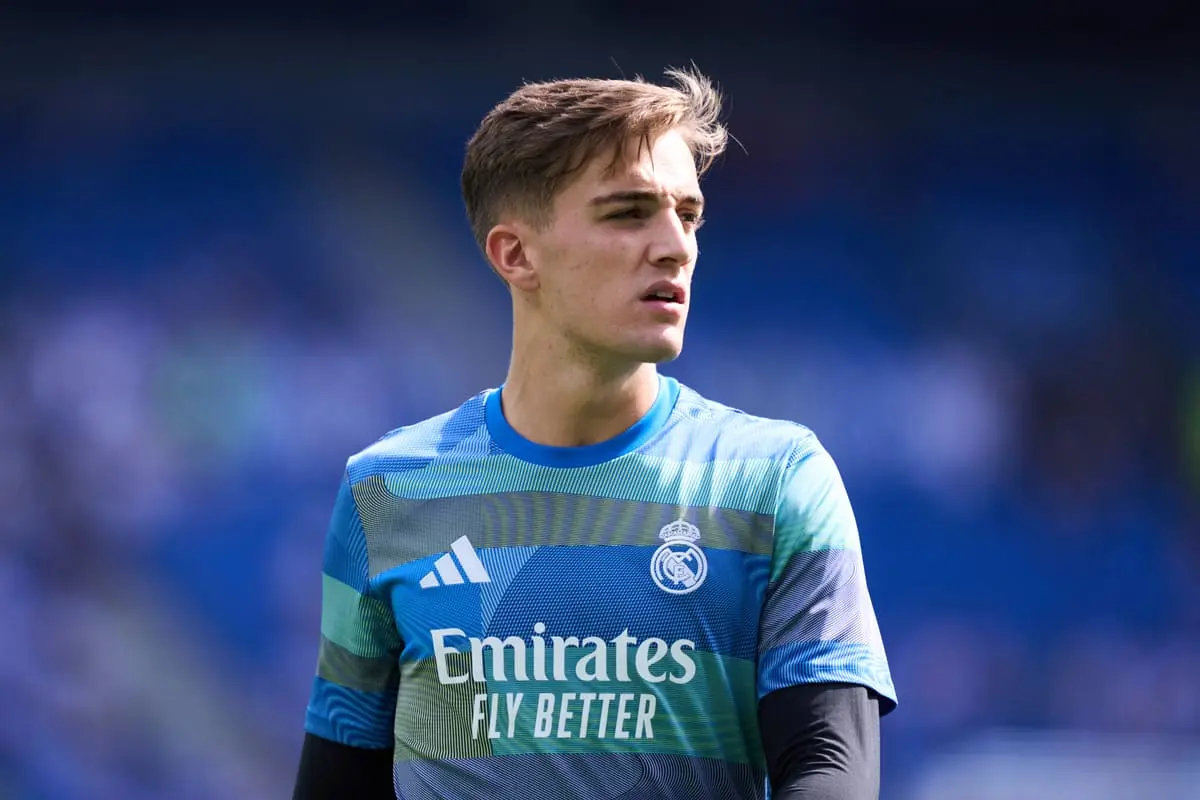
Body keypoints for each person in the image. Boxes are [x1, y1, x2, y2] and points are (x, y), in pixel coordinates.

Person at [293, 67, 896, 800]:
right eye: (629, 213)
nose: (676, 245)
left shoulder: (775, 479)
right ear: (516, 255)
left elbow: (828, 763)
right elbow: (340, 778)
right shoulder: (384, 492)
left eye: (689, 214)